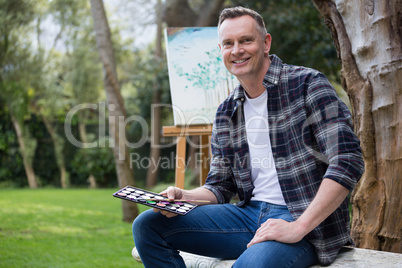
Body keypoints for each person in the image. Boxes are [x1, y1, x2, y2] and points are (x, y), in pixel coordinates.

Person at [133, 6, 364, 268]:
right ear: (220, 50)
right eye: (228, 44)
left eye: (246, 40)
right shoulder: (226, 112)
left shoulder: (308, 85)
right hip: (249, 216)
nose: (237, 50)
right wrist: (183, 196)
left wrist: (298, 227)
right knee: (148, 226)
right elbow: (220, 186)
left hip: (303, 220)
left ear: (265, 43)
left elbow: (347, 161)